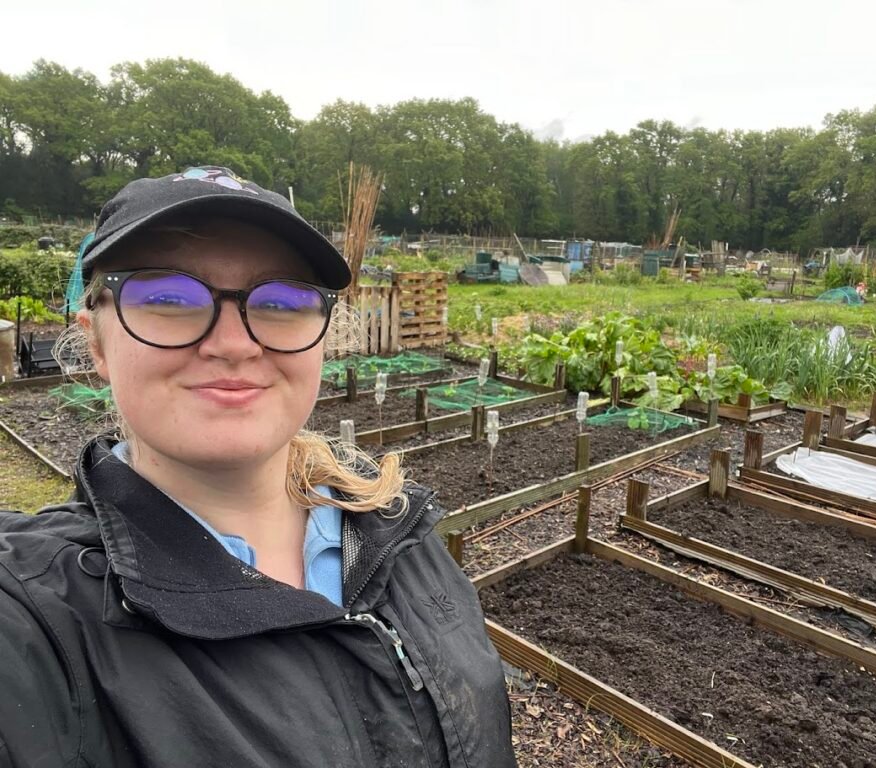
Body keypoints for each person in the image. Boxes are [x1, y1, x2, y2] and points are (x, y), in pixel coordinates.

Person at [0, 166, 517, 768]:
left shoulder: (398, 528)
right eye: (167, 296)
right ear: (97, 344)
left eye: (282, 300)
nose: (235, 344)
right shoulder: (37, 623)